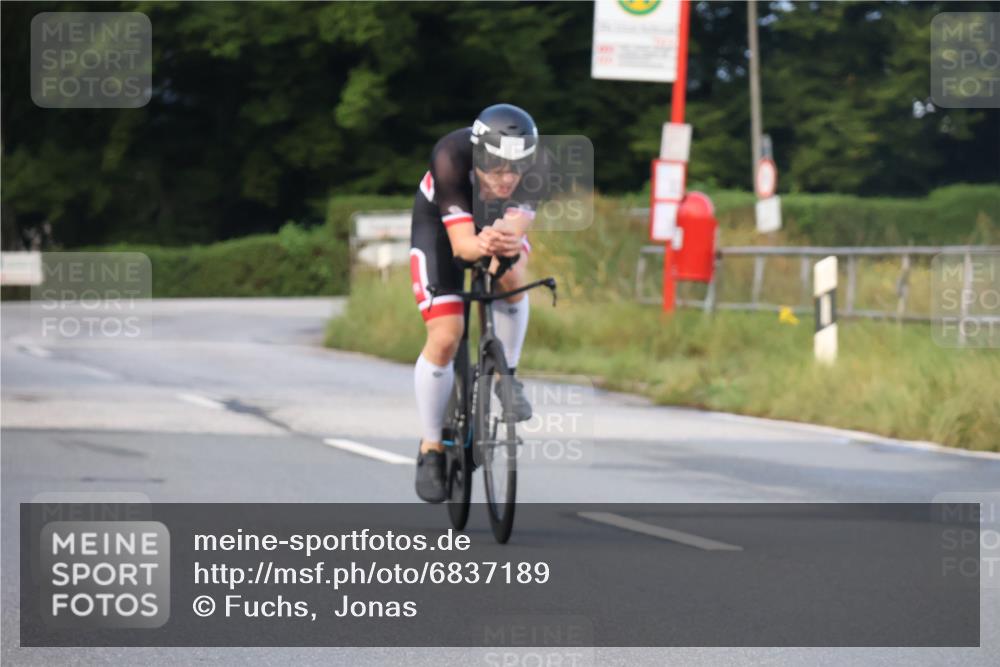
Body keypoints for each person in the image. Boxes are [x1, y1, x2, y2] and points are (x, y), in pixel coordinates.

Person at [409, 103, 542, 503]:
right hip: (441, 228)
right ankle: (431, 446)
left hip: (494, 226)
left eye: (514, 170)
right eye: (496, 168)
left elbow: (515, 235)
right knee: (448, 335)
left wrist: (504, 246)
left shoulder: (541, 165)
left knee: (514, 273)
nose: (506, 178)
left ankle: (506, 377)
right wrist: (481, 244)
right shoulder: (451, 155)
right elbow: (463, 247)